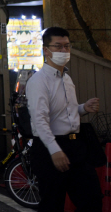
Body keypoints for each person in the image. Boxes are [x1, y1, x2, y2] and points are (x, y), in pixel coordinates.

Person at [26, 27, 102, 212]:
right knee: (53, 203)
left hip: (75, 146)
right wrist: (54, 150)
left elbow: (63, 113)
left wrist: (83, 108)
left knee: (92, 200)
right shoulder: (38, 81)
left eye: (67, 46)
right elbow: (40, 120)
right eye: (58, 46)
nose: (64, 51)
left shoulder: (66, 78)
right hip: (49, 148)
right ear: (46, 50)